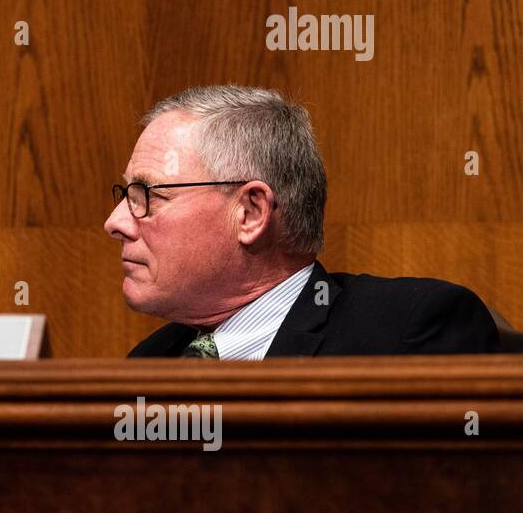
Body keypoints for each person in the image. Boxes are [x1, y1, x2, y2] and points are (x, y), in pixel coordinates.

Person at [103, 85, 500, 358]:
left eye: (147, 195)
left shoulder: (407, 331)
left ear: (251, 213)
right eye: (126, 196)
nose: (115, 222)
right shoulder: (151, 362)